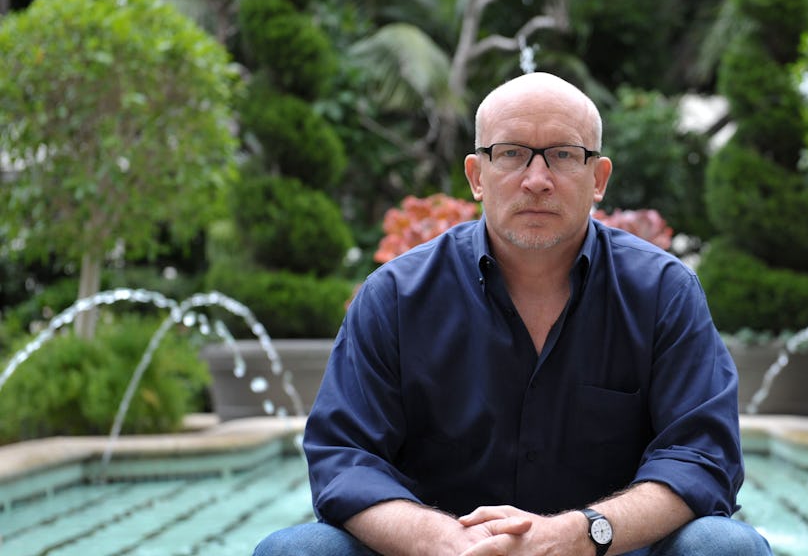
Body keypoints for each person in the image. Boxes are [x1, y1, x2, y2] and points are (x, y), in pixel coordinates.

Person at [254, 72, 772, 556]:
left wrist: (577, 534)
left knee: (726, 545)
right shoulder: (395, 295)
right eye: (512, 154)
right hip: (442, 553)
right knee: (295, 550)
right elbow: (344, 457)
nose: (537, 179)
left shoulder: (662, 292)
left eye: (565, 155)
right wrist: (441, 539)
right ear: (476, 175)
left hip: (602, 550)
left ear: (599, 178)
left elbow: (701, 457)